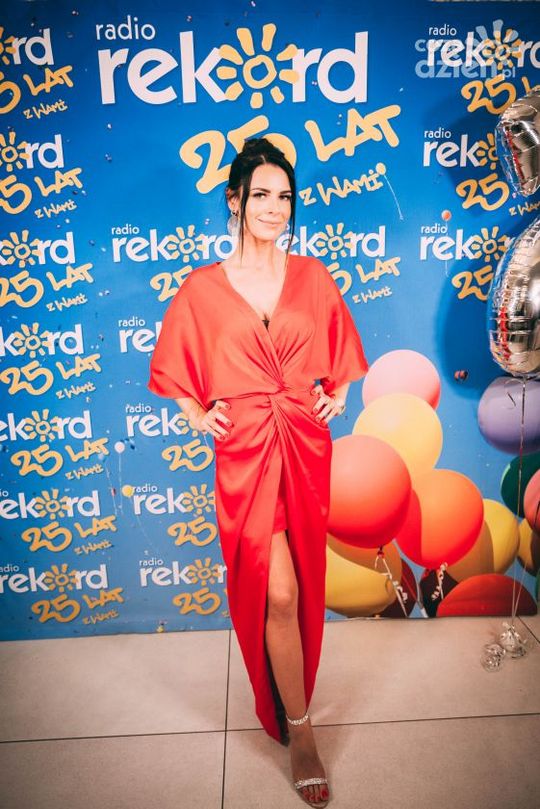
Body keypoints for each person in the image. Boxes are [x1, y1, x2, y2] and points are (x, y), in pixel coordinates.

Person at [148, 137, 369, 807]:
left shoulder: (313, 275)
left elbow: (341, 351)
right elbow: (174, 363)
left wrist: (339, 394)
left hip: (303, 441)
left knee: (303, 580)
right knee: (276, 592)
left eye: (285, 196)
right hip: (245, 451)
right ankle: (300, 730)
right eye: (262, 195)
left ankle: (291, 698)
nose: (275, 207)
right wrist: (196, 412)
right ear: (235, 200)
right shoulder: (202, 287)